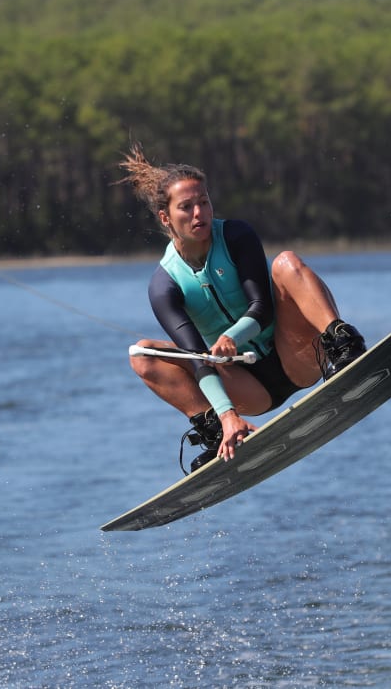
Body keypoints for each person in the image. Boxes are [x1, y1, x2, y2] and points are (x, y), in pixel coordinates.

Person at [119, 144, 367, 473]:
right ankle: (219, 430)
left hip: (299, 355)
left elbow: (262, 308)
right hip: (246, 389)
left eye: (204, 202)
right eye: (187, 207)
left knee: (286, 262)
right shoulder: (164, 285)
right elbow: (197, 360)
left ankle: (344, 343)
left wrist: (232, 336)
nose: (199, 214)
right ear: (165, 217)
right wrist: (226, 412)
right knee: (142, 354)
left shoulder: (236, 235)